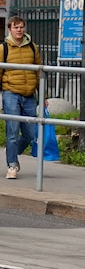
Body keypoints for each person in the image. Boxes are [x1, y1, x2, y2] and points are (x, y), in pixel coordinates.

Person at [2, 16, 42, 180]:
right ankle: (12, 165)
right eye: (16, 27)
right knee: (12, 130)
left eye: (22, 27)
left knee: (30, 133)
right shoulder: (3, 48)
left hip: (29, 95)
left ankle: (11, 151)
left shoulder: (33, 47)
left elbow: (39, 72)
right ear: (9, 29)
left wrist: (43, 94)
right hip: (11, 93)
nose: (19, 30)